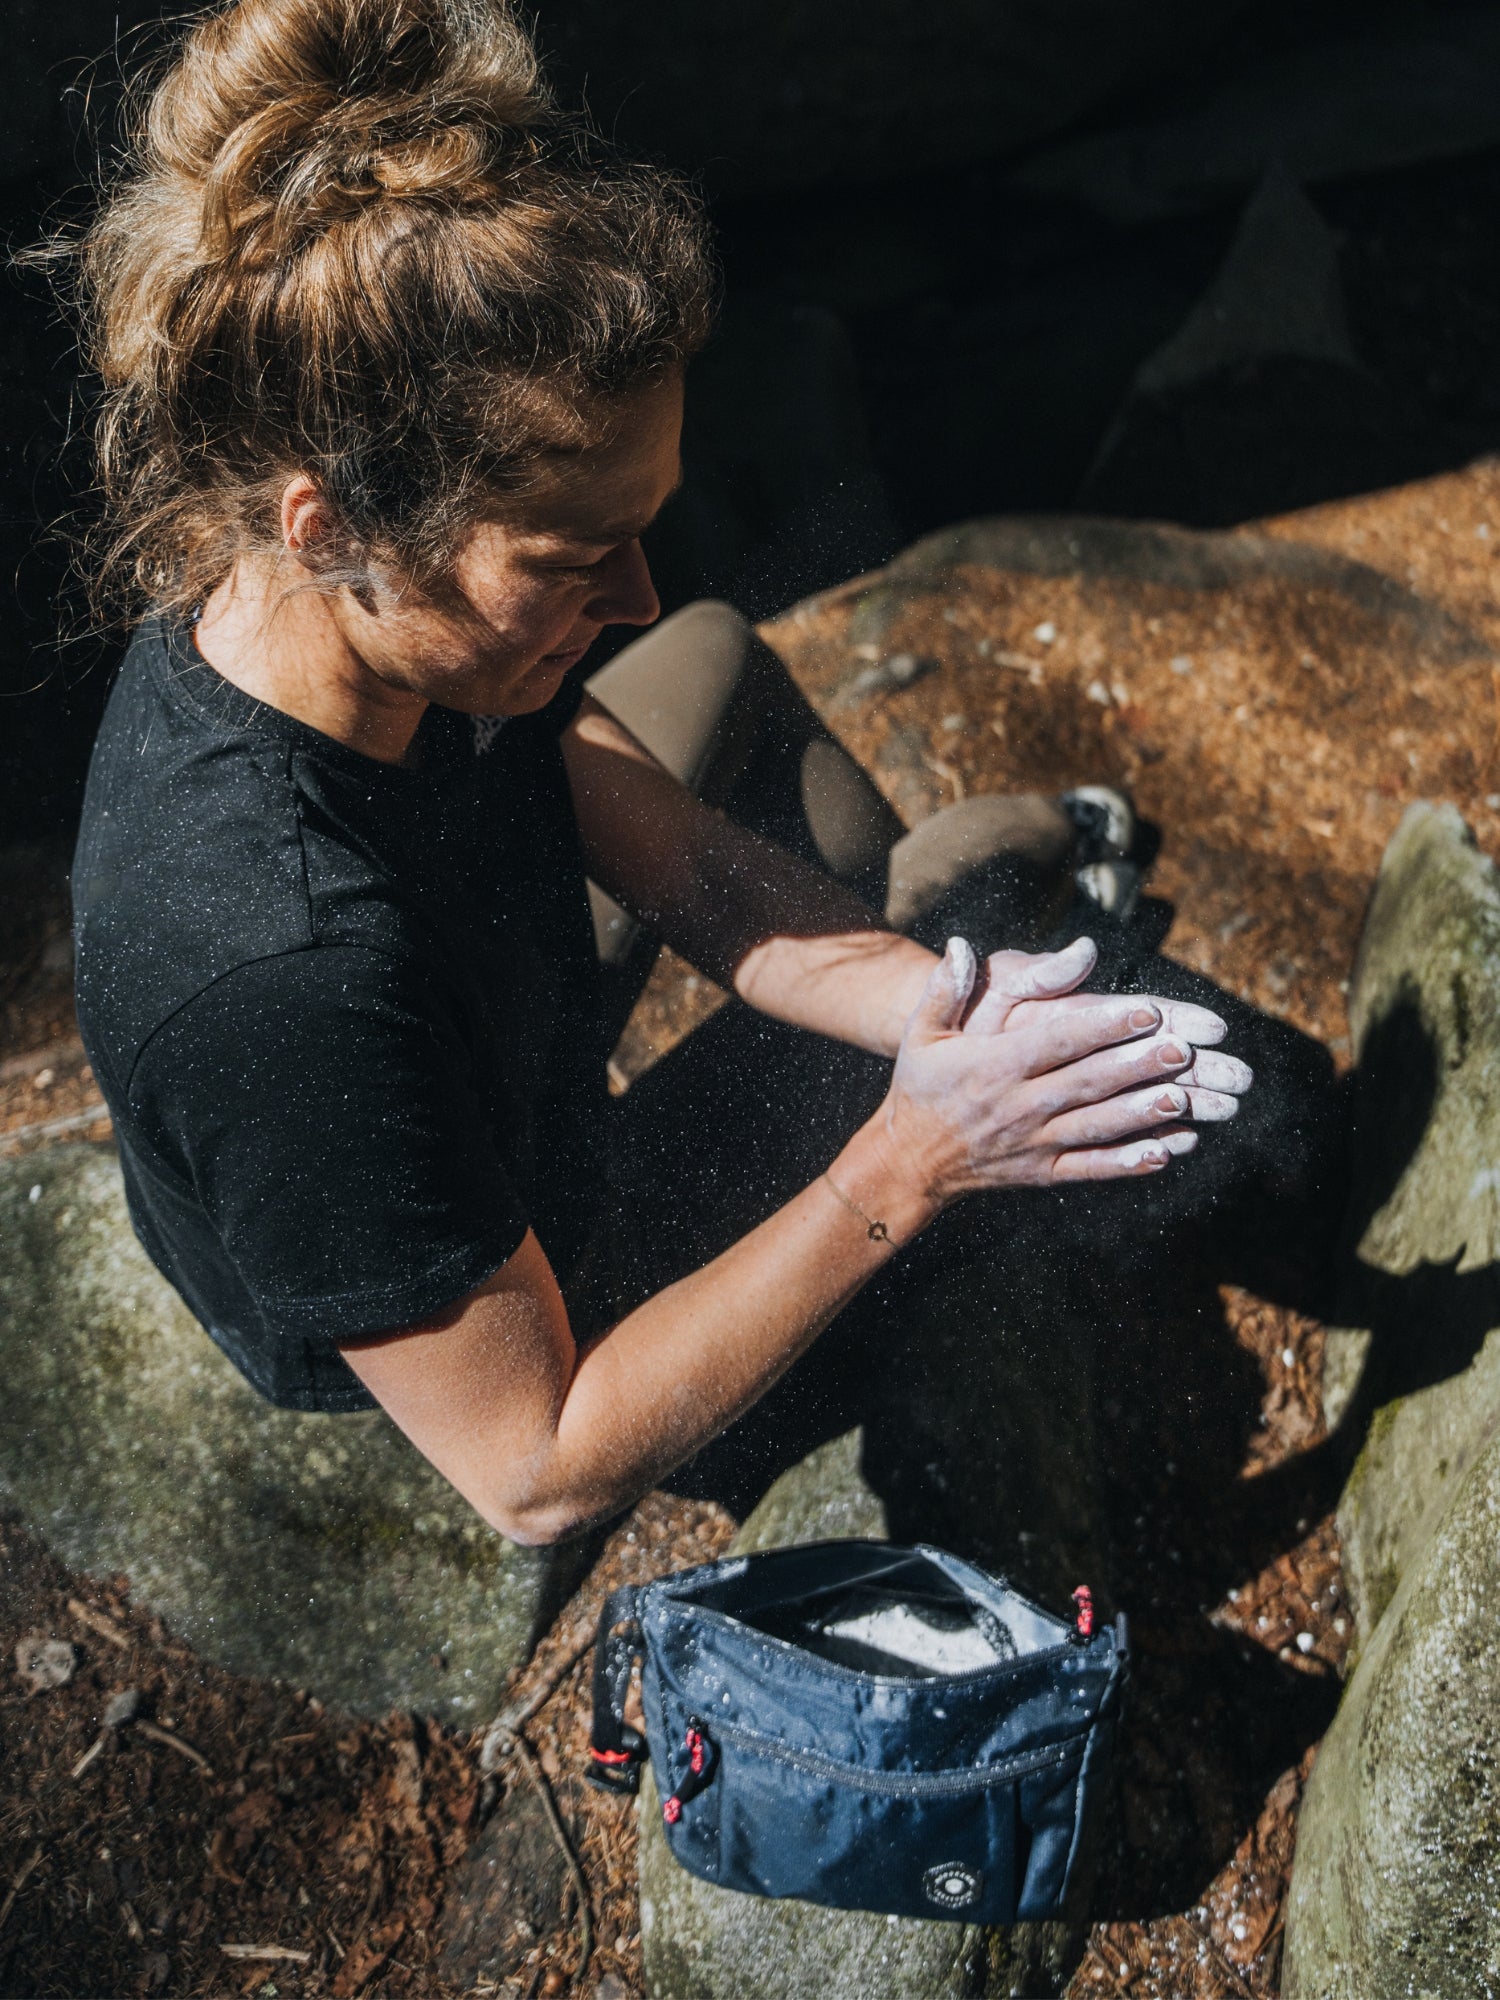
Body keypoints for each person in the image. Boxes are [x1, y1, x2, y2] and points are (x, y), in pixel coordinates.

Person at [69, 0, 1251, 1549]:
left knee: (714, 657)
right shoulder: (281, 980)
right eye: (571, 558)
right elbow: (536, 1472)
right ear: (328, 525)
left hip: (498, 1014)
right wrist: (920, 1154)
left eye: (643, 516)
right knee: (960, 1170)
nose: (624, 591)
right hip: (508, 1293)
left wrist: (932, 1008)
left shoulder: (351, 619)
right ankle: (995, 901)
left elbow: (686, 864)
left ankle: (964, 918)